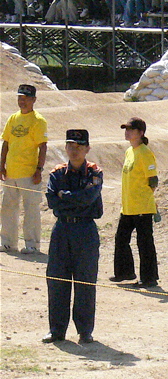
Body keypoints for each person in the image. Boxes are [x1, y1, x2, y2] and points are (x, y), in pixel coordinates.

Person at [42, 129, 103, 344]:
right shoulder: (57, 173)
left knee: (85, 280)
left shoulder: (94, 172)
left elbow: (88, 198)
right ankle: (57, 330)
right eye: (70, 146)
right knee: (57, 279)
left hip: (85, 230)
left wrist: (64, 196)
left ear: (87, 148)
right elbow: (52, 201)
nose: (74, 150)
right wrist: (69, 198)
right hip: (62, 230)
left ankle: (85, 331)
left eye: (78, 147)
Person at [110, 117, 159, 288]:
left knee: (144, 243)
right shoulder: (130, 152)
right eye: (126, 129)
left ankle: (149, 278)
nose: (127, 132)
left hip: (142, 207)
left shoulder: (145, 153)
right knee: (121, 239)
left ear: (141, 133)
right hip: (128, 206)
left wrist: (147, 198)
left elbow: (153, 180)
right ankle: (124, 272)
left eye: (131, 129)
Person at [1, 84, 48, 254]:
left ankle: (32, 244)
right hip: (11, 172)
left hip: (29, 173)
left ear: (34, 100)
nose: (23, 101)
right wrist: (2, 165)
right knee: (7, 207)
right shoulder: (13, 118)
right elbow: (6, 143)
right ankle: (8, 242)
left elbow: (43, 146)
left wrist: (39, 170)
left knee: (31, 209)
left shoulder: (38, 121)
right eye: (20, 98)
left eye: (26, 98)